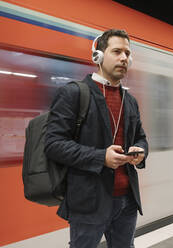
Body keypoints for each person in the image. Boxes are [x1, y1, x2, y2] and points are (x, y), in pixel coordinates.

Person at [45, 29, 148, 248]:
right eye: (117, 51)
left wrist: (140, 150)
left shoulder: (130, 101)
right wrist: (102, 157)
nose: (124, 58)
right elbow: (53, 144)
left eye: (127, 53)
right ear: (98, 56)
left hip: (127, 200)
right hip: (89, 202)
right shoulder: (74, 94)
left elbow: (141, 137)